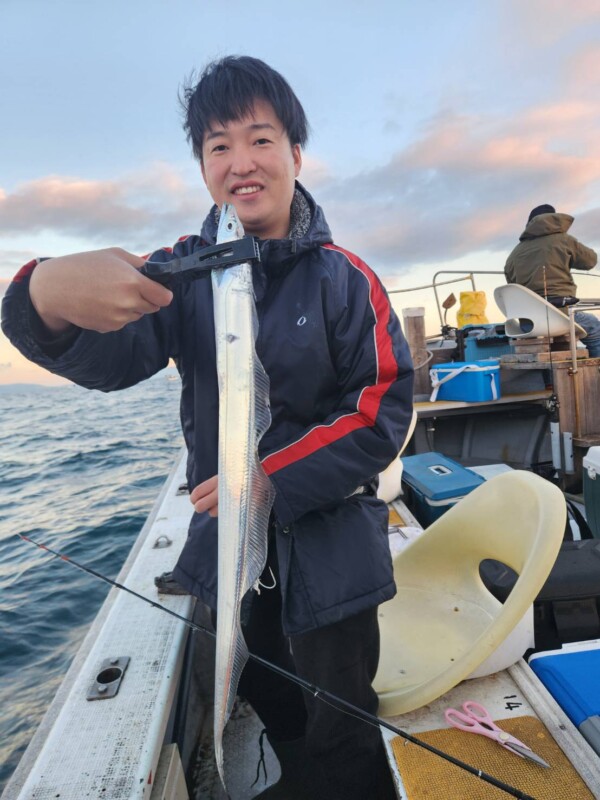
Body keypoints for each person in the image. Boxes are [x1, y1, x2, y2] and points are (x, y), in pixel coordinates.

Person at [2, 56, 414, 799]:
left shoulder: (347, 279)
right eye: (217, 146)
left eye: (260, 140)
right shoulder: (178, 276)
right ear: (201, 167)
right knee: (271, 696)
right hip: (225, 551)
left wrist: (268, 481)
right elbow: (108, 357)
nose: (240, 164)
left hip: (330, 551)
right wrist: (43, 294)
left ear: (295, 153)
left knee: (343, 717)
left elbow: (380, 407)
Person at [504, 203, 600, 357]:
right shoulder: (563, 239)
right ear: (554, 219)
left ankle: (548, 382)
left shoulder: (515, 252)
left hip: (528, 322)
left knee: (548, 339)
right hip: (559, 314)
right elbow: (590, 261)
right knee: (594, 325)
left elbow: (511, 284)